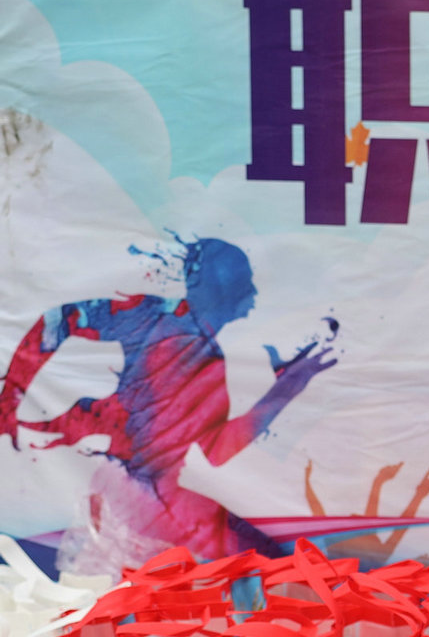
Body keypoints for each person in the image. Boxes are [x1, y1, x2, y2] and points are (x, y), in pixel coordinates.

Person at [0, 237, 335, 577]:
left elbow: (217, 451)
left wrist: (288, 386)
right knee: (266, 566)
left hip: (149, 495)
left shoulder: (213, 364)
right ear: (215, 286)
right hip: (134, 490)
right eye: (243, 284)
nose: (251, 297)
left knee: (267, 565)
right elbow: (59, 318)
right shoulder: (150, 316)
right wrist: (10, 399)